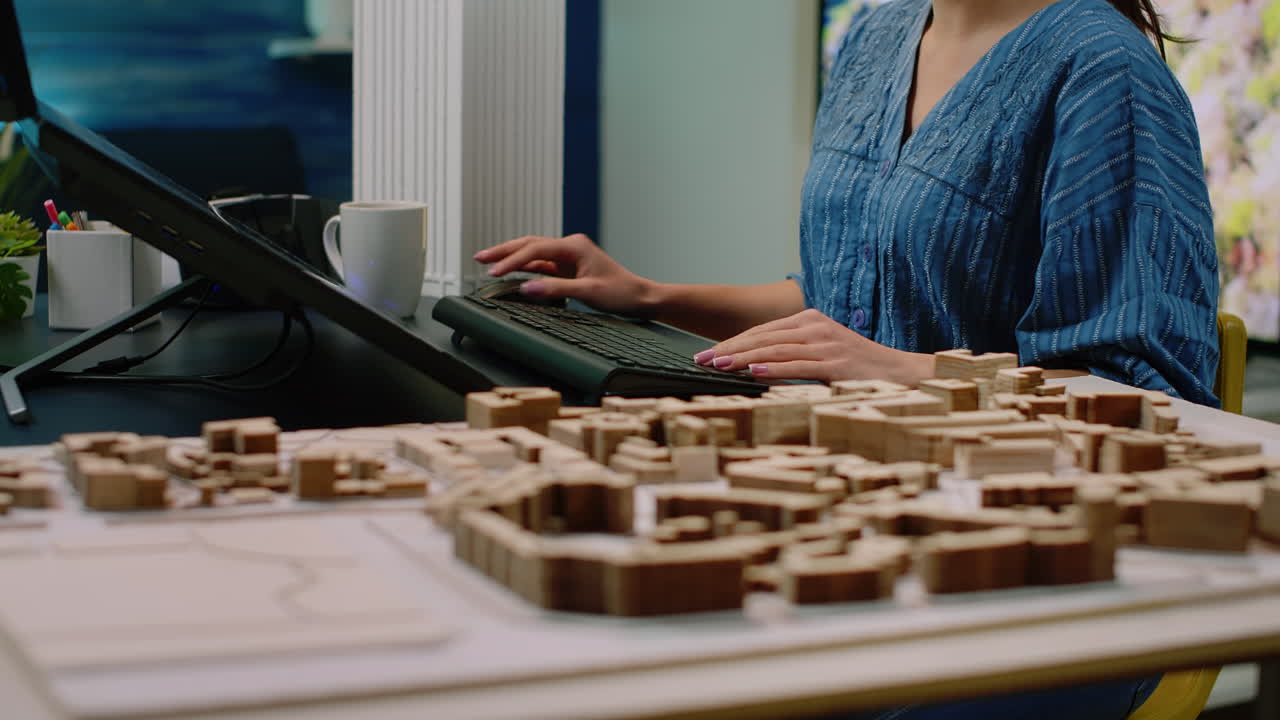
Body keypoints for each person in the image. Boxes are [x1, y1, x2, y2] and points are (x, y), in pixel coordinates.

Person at [481, 1, 1213, 711]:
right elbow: (839, 311)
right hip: (847, 528)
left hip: (1025, 582)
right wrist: (646, 294)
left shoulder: (1106, 72)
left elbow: (1148, 403)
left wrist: (903, 370)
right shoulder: (877, 30)